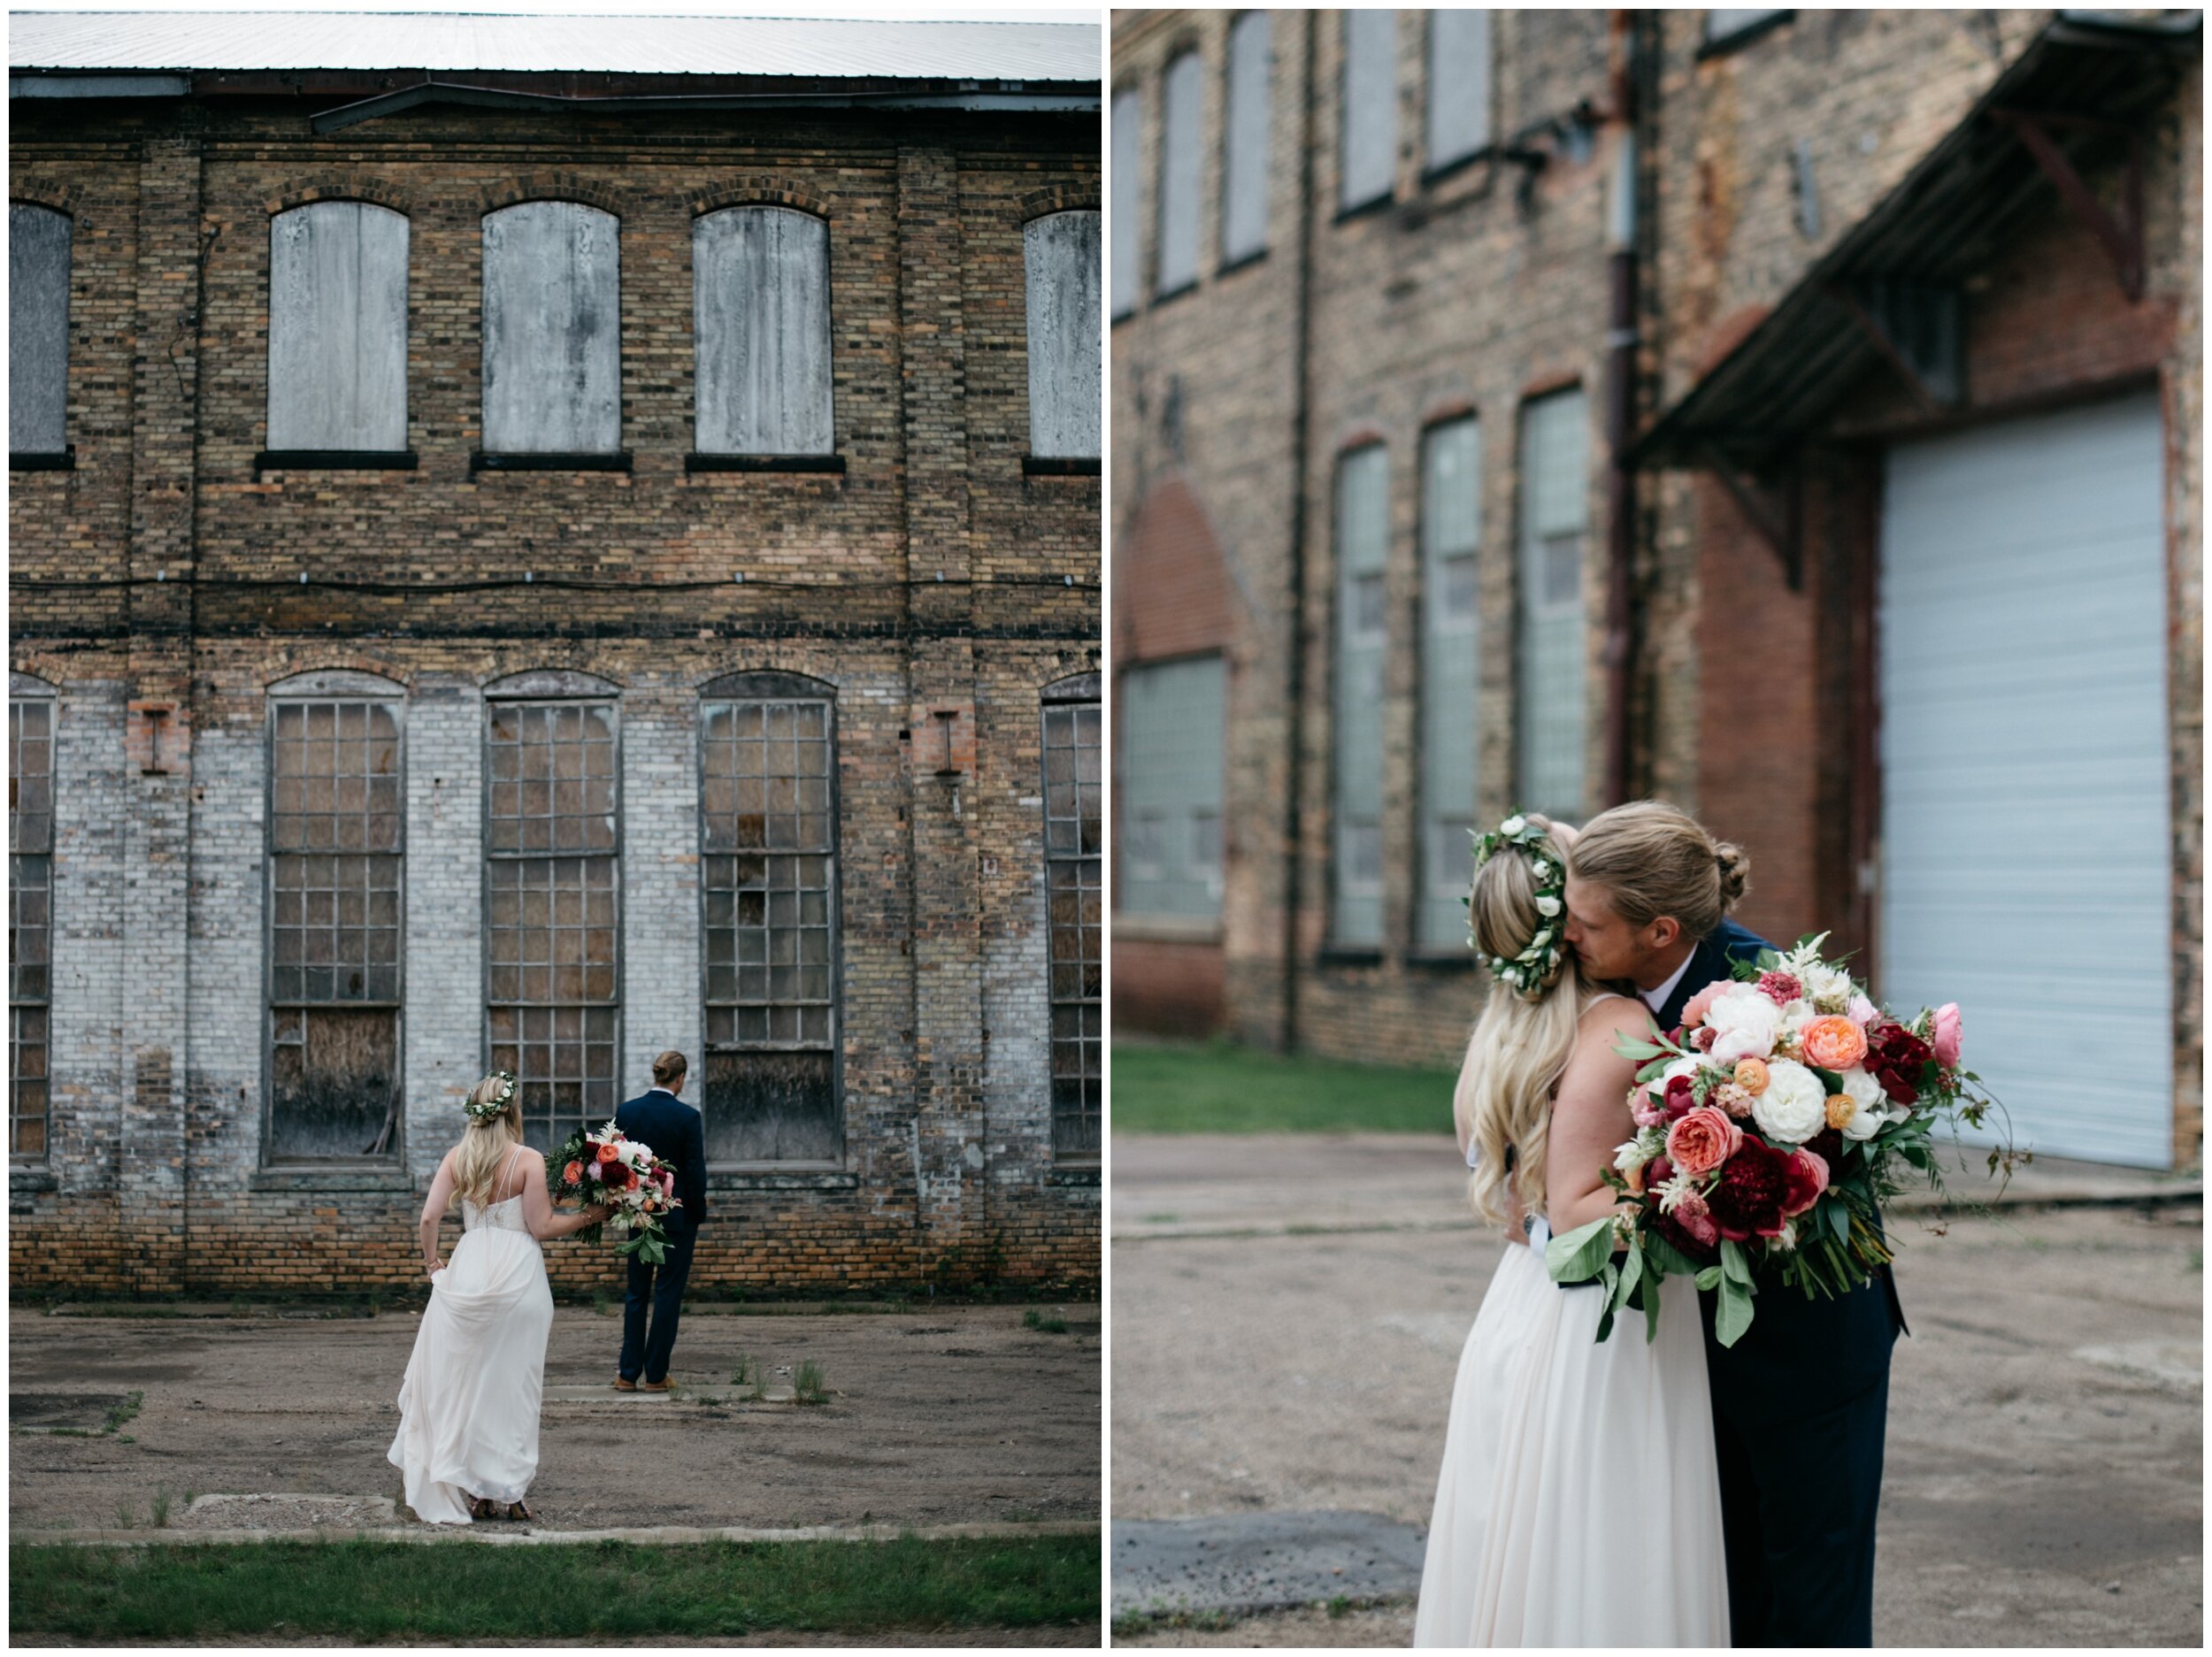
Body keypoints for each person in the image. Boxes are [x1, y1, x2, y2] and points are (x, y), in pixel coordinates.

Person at [1565, 800, 1904, 1648]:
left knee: (1811, 1596)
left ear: (1660, 930)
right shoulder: (1617, 986)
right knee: (1725, 1587)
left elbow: (1840, 1153)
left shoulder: (1779, 1004)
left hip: (1809, 1348)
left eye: (1585, 921)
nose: (1568, 935)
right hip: (1699, 1346)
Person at [1413, 813, 1730, 1647]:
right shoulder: (1614, 1032)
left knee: (1518, 1549)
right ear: (1571, 926)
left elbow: (1522, 1204)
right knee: (1605, 1549)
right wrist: (1714, 1191)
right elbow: (1578, 1205)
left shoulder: (1498, 1038)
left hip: (1516, 1306)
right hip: (1600, 1331)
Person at [388, 1070, 610, 1524]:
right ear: (512, 1112)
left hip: (468, 1272)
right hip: (517, 1279)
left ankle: (478, 1492)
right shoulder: (527, 1160)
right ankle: (510, 1492)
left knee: (469, 1389)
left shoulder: (457, 1158)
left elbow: (429, 1219)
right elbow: (543, 1227)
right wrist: (590, 1215)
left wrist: (434, 1267)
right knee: (515, 1389)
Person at [612, 1050, 709, 1392]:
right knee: (668, 1294)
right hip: (676, 1219)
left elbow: (616, 1166)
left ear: (657, 1075)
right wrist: (697, 1212)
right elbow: (695, 1173)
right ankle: (655, 1376)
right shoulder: (688, 1117)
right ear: (680, 1078)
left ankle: (627, 1374)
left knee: (636, 1293)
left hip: (637, 1214)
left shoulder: (627, 1111)